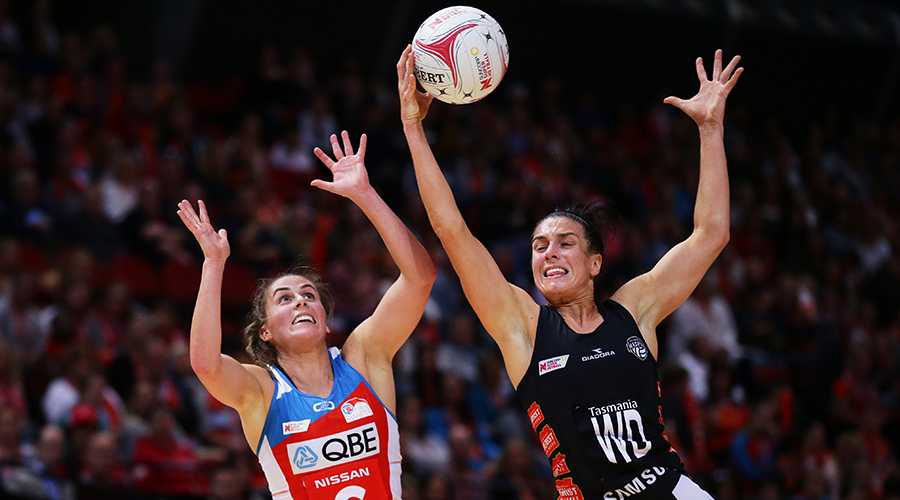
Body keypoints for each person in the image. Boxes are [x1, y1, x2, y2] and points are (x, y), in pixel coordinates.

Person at [397, 46, 742, 499]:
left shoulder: (634, 311)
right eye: (539, 246)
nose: (549, 253)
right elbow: (452, 230)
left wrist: (711, 129)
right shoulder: (521, 326)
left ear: (596, 264)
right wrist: (413, 127)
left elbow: (711, 234)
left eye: (565, 244)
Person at [177, 131, 436, 500]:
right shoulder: (263, 392)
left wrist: (365, 195)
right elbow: (205, 365)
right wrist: (213, 263)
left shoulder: (364, 358)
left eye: (309, 295)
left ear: (326, 321)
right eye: (284, 298)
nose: (300, 302)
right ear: (265, 332)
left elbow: (420, 278)